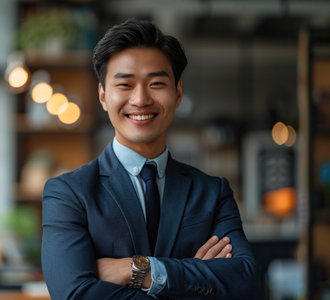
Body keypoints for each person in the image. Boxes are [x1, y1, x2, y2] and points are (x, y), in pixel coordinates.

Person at [41, 19, 256, 299]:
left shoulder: (212, 192)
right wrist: (193, 280)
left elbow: (246, 282)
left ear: (177, 93)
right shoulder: (69, 194)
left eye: (156, 83)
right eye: (125, 84)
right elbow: (75, 294)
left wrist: (139, 270)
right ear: (103, 96)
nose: (141, 99)